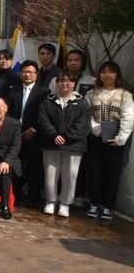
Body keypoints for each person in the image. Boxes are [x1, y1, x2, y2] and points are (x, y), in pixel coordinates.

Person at [37, 71, 91, 217]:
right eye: (61, 81)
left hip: (73, 145)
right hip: (51, 143)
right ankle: (51, 201)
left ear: (74, 83)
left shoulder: (82, 102)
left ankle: (65, 204)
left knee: (70, 175)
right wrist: (54, 134)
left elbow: (83, 125)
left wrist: (66, 137)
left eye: (68, 81)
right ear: (56, 83)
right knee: (50, 174)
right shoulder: (48, 100)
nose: (64, 83)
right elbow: (42, 120)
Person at [86, 61, 133, 220]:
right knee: (94, 172)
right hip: (95, 139)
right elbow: (87, 115)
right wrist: (98, 131)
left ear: (117, 75)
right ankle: (94, 203)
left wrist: (120, 138)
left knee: (112, 174)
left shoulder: (125, 96)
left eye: (111, 72)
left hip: (116, 140)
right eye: (103, 72)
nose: (107, 75)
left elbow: (128, 119)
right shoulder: (91, 94)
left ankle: (107, 207)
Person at [5, 60, 50, 207]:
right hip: (15, 134)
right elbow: (9, 112)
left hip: (34, 135)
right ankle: (15, 195)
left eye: (30, 72)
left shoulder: (44, 92)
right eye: (24, 71)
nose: (27, 74)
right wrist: (15, 130)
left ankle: (33, 197)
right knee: (16, 166)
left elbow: (45, 114)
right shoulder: (13, 90)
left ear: (36, 74)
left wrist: (33, 129)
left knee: (34, 168)